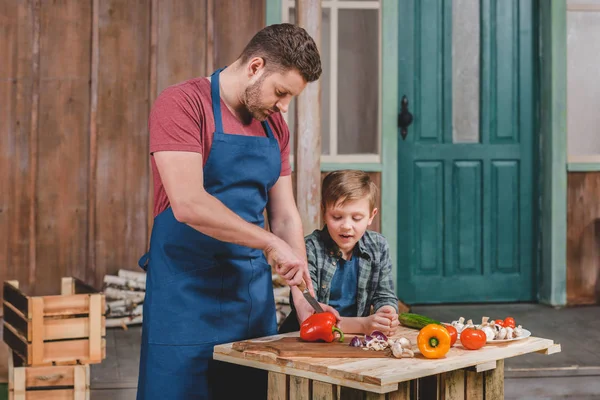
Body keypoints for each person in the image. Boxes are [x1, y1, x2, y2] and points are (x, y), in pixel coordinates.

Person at [136, 23, 339, 400]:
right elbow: (189, 204)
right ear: (255, 66)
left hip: (249, 303)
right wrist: (269, 243)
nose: (283, 107)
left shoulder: (274, 126)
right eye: (281, 93)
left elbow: (285, 216)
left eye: (290, 99)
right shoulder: (182, 104)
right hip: (183, 300)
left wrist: (302, 297)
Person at [281, 170, 400, 336]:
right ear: (324, 212)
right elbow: (309, 313)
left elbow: (385, 295)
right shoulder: (309, 248)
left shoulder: (378, 246)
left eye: (357, 218)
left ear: (371, 216)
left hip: (351, 340)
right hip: (305, 338)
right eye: (337, 217)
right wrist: (364, 326)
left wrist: (386, 314)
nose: (346, 226)